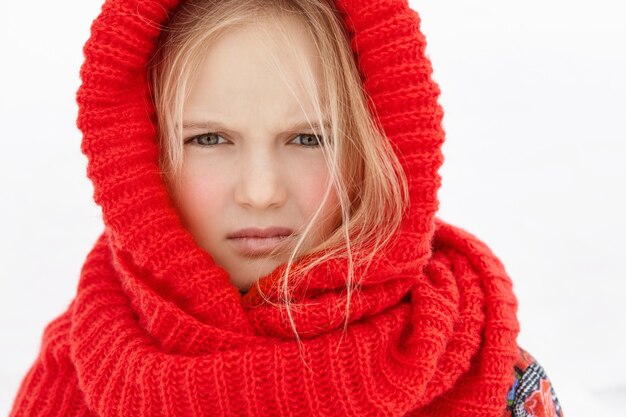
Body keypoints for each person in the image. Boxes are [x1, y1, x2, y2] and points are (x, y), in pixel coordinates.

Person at [8, 0, 564, 416]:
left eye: (307, 139)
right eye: (208, 139)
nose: (259, 191)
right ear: (141, 156)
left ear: (375, 148)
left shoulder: (480, 369)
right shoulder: (81, 369)